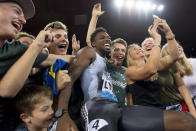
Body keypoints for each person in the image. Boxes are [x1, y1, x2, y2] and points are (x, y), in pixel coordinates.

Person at [57, 24, 196, 131]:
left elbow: (167, 60)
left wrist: (166, 33)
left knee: (187, 121)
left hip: (118, 108)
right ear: (93, 43)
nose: (107, 39)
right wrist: (62, 113)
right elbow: (70, 78)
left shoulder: (110, 65)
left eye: (109, 38)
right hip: (96, 107)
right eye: (102, 37)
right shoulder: (89, 52)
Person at [0, 0, 73, 130]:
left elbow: (59, 59)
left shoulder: (17, 49)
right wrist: (36, 46)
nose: (23, 20)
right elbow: (5, 90)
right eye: (17, 11)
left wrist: (88, 54)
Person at [160, 43, 196, 117]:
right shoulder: (167, 72)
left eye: (179, 46)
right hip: (184, 105)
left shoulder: (193, 62)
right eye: (175, 49)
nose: (179, 48)